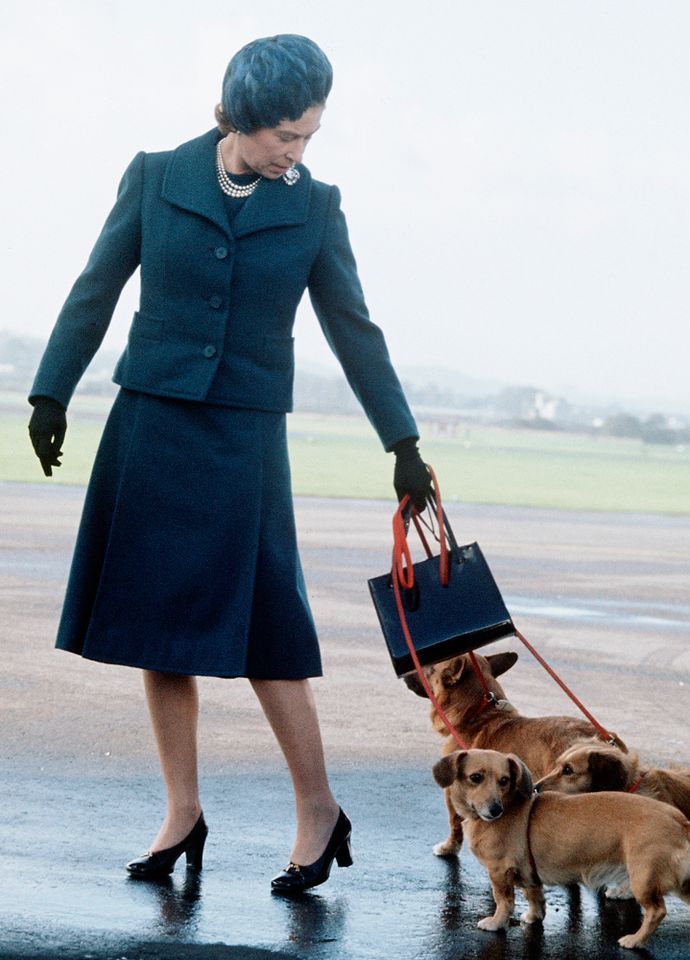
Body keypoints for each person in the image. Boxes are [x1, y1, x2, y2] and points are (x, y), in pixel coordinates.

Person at [27, 34, 431, 894]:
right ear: (240, 116)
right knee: (155, 629)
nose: (299, 151)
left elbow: (353, 329)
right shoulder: (155, 175)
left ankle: (318, 809)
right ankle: (182, 811)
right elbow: (95, 286)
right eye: (287, 135)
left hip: (245, 439)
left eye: (310, 136)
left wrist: (403, 441)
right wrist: (50, 391)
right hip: (152, 423)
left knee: (267, 634)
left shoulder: (316, 208)